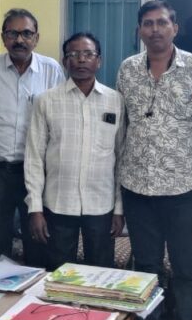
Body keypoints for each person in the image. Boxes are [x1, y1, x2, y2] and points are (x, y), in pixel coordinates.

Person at [117, 0, 192, 320]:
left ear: (175, 27)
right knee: (146, 268)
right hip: (137, 189)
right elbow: (123, 127)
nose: (154, 30)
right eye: (147, 23)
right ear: (139, 30)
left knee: (186, 270)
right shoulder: (127, 69)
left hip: (182, 190)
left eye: (161, 23)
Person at [25, 32, 125, 270]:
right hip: (58, 204)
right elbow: (34, 157)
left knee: (100, 274)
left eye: (88, 54)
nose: (81, 59)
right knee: (58, 273)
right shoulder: (46, 101)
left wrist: (119, 208)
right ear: (64, 61)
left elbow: (121, 158)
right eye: (74, 54)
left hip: (101, 205)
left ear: (99, 60)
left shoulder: (115, 101)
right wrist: (35, 208)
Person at [0, 8, 64, 268]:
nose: (20, 40)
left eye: (27, 33)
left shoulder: (51, 70)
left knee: (38, 246)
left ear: (36, 38)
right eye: (13, 33)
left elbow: (58, 122)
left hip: (38, 174)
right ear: (3, 38)